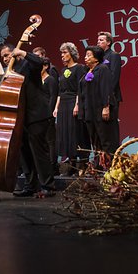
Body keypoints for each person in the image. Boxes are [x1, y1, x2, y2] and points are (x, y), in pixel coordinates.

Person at [0, 44, 56, 197]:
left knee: (39, 153)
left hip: (37, 115)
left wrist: (23, 52)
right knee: (25, 154)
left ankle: (48, 186)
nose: (5, 59)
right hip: (21, 118)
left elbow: (40, 62)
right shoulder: (10, 72)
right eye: (3, 57)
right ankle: (31, 185)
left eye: (7, 55)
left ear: (14, 53)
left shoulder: (27, 64)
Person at [78, 46, 118, 166]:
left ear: (96, 58)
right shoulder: (87, 71)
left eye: (89, 55)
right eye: (85, 55)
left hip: (100, 110)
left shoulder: (102, 68)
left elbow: (106, 88)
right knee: (95, 140)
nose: (86, 57)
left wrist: (106, 106)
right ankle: (99, 166)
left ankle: (110, 166)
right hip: (89, 111)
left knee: (105, 139)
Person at [54, 42, 88, 175]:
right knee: (65, 134)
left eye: (65, 52)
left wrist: (77, 105)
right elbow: (60, 91)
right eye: (61, 53)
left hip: (74, 102)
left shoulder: (80, 68)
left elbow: (81, 89)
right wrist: (56, 108)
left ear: (72, 53)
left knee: (76, 133)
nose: (62, 56)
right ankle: (71, 165)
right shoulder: (63, 71)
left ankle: (83, 164)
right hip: (63, 104)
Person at [97, 31, 123, 146]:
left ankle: (114, 156)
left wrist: (107, 97)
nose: (98, 42)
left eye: (101, 40)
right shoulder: (98, 59)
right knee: (102, 130)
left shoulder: (114, 55)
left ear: (108, 42)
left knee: (111, 128)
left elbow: (114, 78)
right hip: (98, 99)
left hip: (111, 97)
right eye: (98, 40)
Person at [41, 57, 59, 176]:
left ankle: (53, 167)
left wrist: (49, 112)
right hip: (39, 114)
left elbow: (53, 96)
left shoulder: (51, 79)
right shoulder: (38, 80)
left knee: (50, 140)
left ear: (46, 66)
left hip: (48, 113)